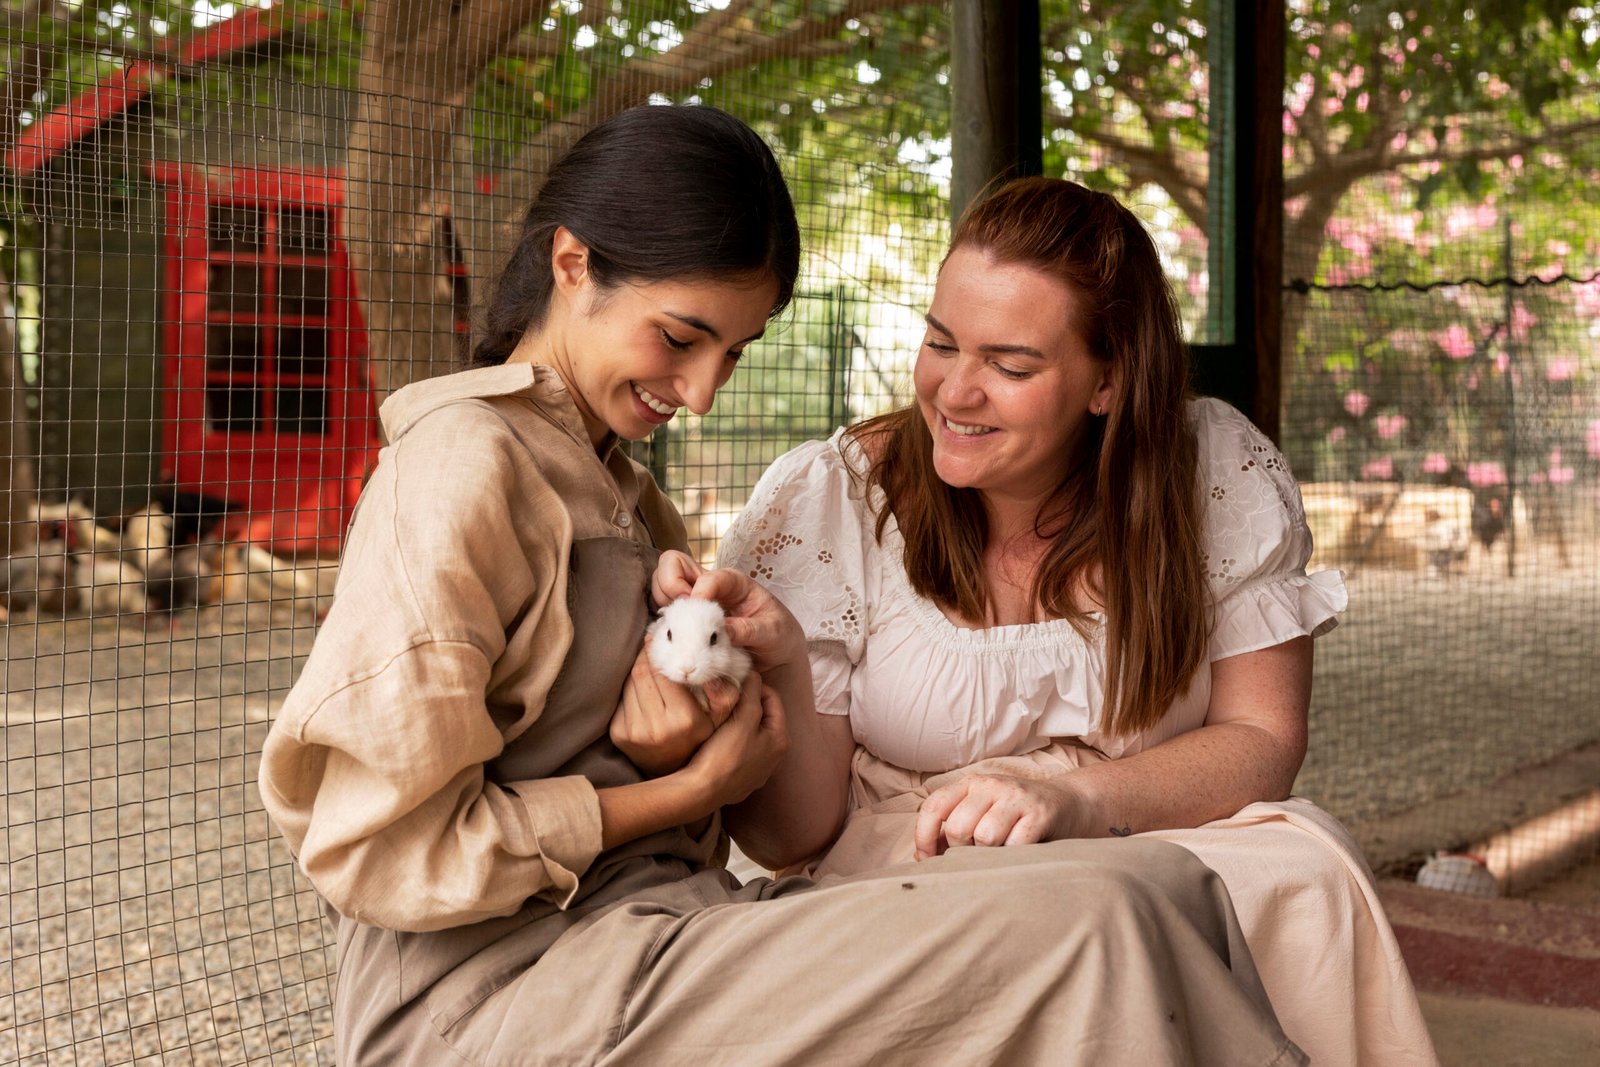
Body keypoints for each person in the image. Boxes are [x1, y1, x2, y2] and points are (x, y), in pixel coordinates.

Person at [259, 108, 1308, 1065]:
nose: (703, 391)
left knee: (1153, 883)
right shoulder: (458, 466)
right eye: (680, 336)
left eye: (734, 350)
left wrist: (690, 732)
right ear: (571, 264)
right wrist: (683, 790)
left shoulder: (629, 498)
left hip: (670, 930)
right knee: (1094, 924)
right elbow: (378, 851)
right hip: (496, 992)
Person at [714, 176, 1441, 1067]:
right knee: (1065, 916)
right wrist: (782, 665)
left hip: (1154, 821)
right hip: (920, 849)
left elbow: (1263, 738)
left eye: (1011, 366)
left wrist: (1079, 799)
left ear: (1108, 381)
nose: (955, 390)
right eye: (941, 342)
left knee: (1309, 873)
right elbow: (793, 838)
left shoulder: (1211, 467)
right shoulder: (836, 495)